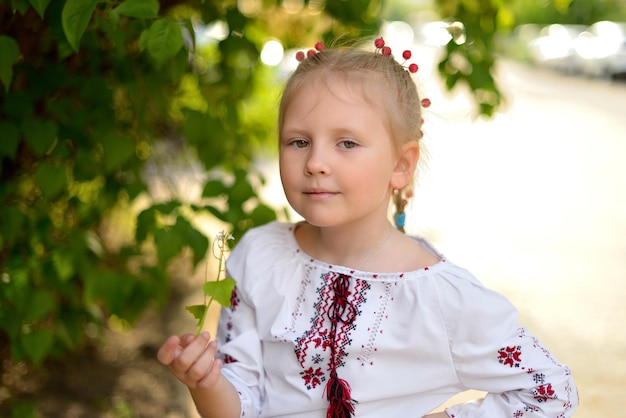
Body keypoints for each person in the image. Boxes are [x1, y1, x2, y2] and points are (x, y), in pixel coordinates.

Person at [157, 38, 578, 418]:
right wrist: (206, 382)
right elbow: (242, 406)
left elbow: (550, 390)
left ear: (400, 165)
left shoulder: (439, 298)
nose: (315, 162)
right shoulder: (258, 257)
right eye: (298, 141)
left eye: (347, 143)